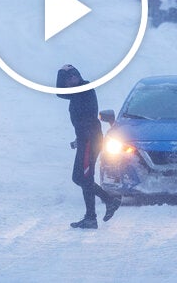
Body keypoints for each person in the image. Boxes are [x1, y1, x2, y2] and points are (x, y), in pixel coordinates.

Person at [56, 64, 120, 229]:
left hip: (90, 141)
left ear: (79, 76)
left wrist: (84, 140)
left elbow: (86, 120)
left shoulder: (85, 89)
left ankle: (92, 216)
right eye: (68, 78)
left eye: (74, 76)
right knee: (79, 177)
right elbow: (59, 93)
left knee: (85, 178)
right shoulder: (75, 93)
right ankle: (108, 201)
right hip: (85, 140)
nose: (72, 79)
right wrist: (61, 73)